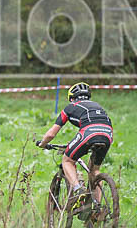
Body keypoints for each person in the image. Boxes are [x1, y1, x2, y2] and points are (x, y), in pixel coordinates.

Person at [36, 82, 113, 218]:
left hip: (88, 133)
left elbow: (51, 134)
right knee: (94, 170)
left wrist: (43, 144)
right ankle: (97, 207)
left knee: (67, 161)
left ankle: (78, 189)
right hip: (107, 134)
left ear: (72, 98)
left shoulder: (70, 107)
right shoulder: (97, 106)